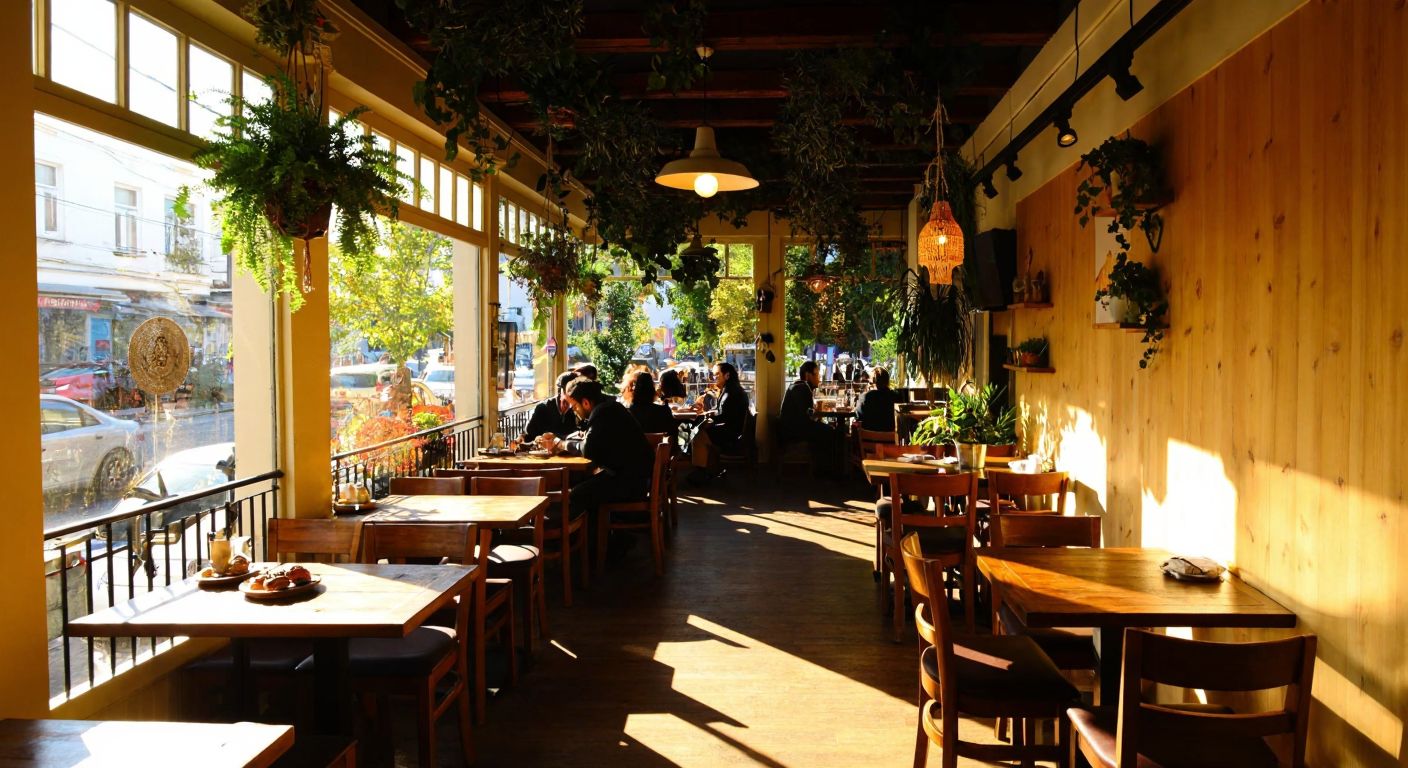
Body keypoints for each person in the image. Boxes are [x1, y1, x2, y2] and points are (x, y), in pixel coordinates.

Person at [552, 378, 653, 545]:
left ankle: (585, 547)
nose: (575, 411)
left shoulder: (603, 413)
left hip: (630, 483)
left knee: (577, 494)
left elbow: (589, 450)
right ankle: (604, 542)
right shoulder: (611, 408)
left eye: (575, 406)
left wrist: (561, 444)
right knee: (586, 486)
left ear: (585, 403)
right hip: (637, 478)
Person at [780, 360, 841, 471]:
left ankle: (822, 466)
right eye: (816, 375)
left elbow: (806, 413)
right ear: (808, 375)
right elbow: (807, 417)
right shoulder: (802, 388)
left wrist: (817, 413)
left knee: (826, 429)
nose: (819, 379)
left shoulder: (797, 386)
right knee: (832, 432)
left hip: (789, 428)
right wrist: (818, 413)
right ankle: (829, 469)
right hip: (794, 431)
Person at [697, 361, 750, 459]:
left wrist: (709, 416)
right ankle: (705, 462)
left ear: (727, 375)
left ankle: (704, 463)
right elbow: (722, 410)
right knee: (699, 427)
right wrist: (708, 413)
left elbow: (726, 416)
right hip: (732, 430)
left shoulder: (731, 392)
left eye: (717, 374)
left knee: (698, 431)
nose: (714, 378)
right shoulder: (730, 389)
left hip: (731, 434)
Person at [522, 371, 579, 442]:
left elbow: (579, 434)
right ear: (560, 390)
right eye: (568, 391)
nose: (570, 402)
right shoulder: (543, 408)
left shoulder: (577, 410)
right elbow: (530, 433)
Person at [623, 371, 677, 443]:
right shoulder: (664, 411)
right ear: (653, 390)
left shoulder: (628, 414)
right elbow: (673, 439)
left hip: (636, 453)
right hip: (660, 452)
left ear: (635, 391)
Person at [855, 366, 902, 432]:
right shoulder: (896, 397)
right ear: (887, 381)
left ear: (872, 382)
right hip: (890, 439)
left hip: (868, 439)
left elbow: (858, 417)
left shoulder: (865, 397)